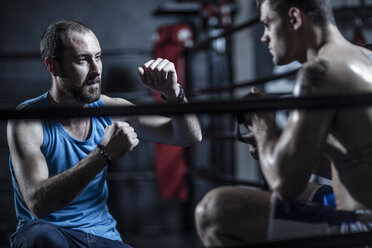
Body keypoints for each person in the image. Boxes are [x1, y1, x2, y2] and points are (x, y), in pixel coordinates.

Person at [7, 20, 202, 248]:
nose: (96, 69)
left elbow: (188, 136)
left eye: (97, 57)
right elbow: (37, 203)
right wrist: (103, 154)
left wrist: (173, 93)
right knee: (37, 235)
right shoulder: (28, 120)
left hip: (102, 238)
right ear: (53, 66)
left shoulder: (110, 109)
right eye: (83, 59)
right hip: (53, 237)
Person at [195, 0, 372, 246]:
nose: (263, 38)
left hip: (364, 227)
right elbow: (352, 160)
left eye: (267, 24)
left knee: (215, 211)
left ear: (294, 18)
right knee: (304, 192)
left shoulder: (320, 72)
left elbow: (284, 183)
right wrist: (276, 144)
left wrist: (261, 124)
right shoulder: (365, 57)